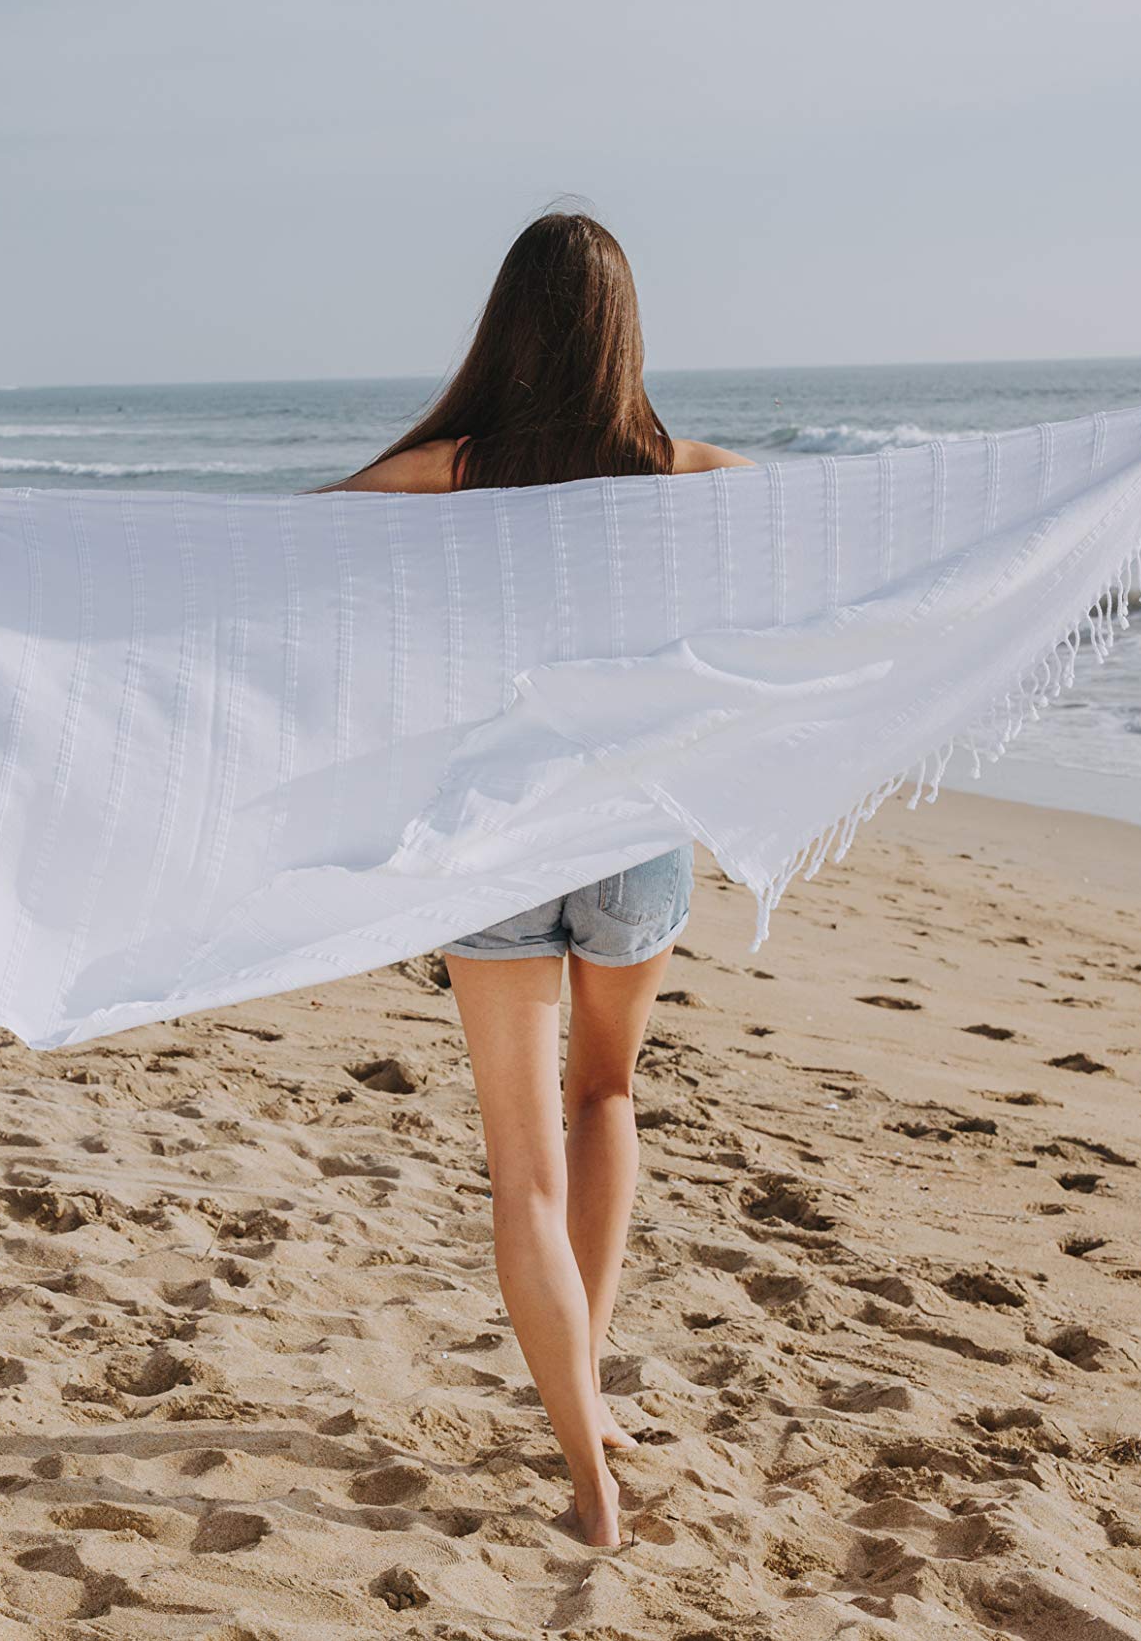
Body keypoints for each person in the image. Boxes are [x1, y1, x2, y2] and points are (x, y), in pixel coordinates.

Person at [318, 211, 754, 1548]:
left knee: (522, 1170)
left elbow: (260, 565)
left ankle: (585, 1461)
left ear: (507, 326)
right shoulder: (688, 473)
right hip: (631, 831)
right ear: (626, 334)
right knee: (608, 1095)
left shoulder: (446, 472)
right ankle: (591, 1399)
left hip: (496, 838)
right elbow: (851, 553)